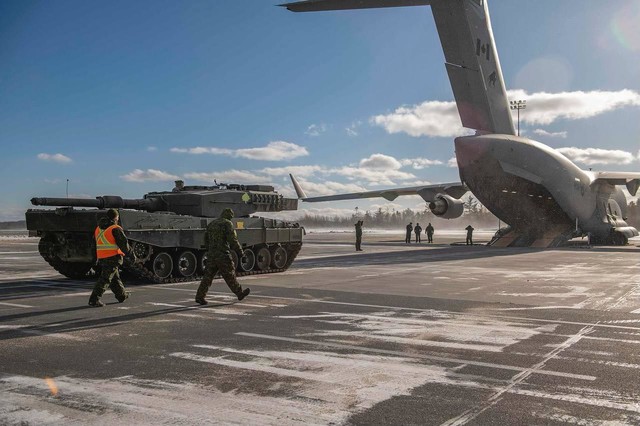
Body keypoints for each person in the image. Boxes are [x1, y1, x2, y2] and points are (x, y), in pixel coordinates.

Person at [196, 208, 250, 305]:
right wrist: (241, 253)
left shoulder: (212, 224)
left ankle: (200, 296)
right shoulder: (227, 224)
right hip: (223, 254)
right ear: (229, 216)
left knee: (207, 277)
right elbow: (232, 240)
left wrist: (210, 250)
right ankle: (239, 293)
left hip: (212, 255)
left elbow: (206, 239)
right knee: (229, 275)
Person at [88, 209, 134, 307]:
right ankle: (94, 299)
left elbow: (93, 245)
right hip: (113, 257)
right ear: (116, 217)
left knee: (115, 278)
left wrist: (94, 258)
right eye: (117, 217)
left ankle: (122, 296)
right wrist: (131, 255)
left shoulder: (98, 229)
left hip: (103, 257)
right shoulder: (115, 228)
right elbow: (124, 245)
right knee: (105, 279)